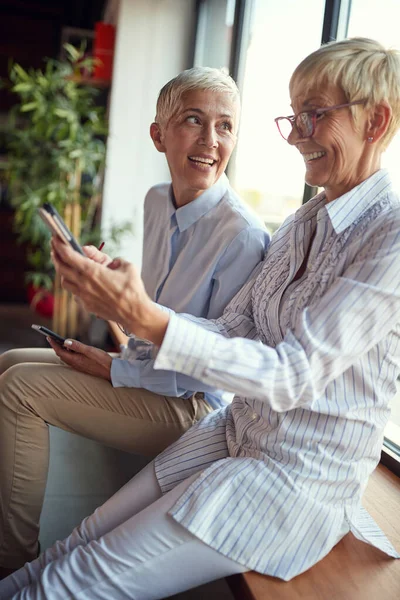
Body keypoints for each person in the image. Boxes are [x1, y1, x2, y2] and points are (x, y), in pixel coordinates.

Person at [3, 36, 400, 599]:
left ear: (377, 120)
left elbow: (292, 375)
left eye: (316, 114)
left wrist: (140, 316)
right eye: (294, 117)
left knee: (75, 580)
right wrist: (128, 310)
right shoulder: (301, 223)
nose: (300, 136)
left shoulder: (391, 235)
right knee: (80, 537)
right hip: (237, 432)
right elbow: (235, 329)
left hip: (295, 482)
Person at [0, 67, 269, 576]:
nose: (211, 140)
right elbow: (157, 319)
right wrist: (108, 305)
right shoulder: (155, 201)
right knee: (10, 360)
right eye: (193, 120)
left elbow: (206, 370)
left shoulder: (242, 236)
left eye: (225, 126)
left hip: (192, 410)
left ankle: (10, 562)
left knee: (19, 390)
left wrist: (113, 368)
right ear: (158, 134)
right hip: (150, 378)